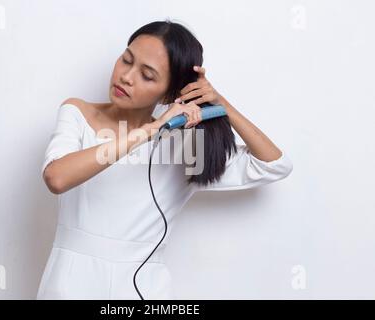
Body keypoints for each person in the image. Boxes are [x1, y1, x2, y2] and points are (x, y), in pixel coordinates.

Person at [37, 20, 293, 300]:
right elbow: (57, 177)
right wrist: (150, 130)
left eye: (147, 75)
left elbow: (274, 164)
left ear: (171, 93)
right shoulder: (77, 112)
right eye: (126, 60)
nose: (126, 77)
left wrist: (221, 104)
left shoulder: (185, 147)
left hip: (142, 290)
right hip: (70, 285)